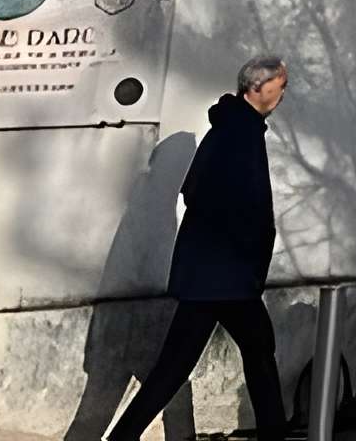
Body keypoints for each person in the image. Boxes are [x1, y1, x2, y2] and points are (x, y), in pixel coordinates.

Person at [105, 56, 291, 441]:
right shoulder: (238, 132)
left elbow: (196, 191)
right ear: (257, 88)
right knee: (258, 356)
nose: (283, 92)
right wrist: (246, 252)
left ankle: (123, 436)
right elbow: (226, 200)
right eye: (279, 84)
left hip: (213, 273)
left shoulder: (235, 128)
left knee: (177, 366)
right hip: (228, 273)